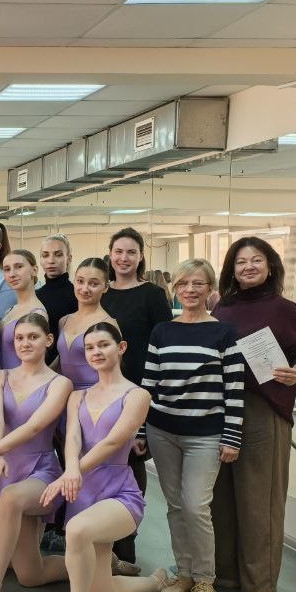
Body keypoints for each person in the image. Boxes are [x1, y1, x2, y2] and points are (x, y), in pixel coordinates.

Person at [39, 323, 173, 592]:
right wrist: (72, 469)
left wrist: (72, 472)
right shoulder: (77, 396)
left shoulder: (137, 395)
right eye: (90, 347)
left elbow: (114, 441)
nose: (96, 352)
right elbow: (72, 437)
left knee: (77, 530)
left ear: (121, 348)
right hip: (83, 491)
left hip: (118, 492)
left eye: (103, 345)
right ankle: (154, 582)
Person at [211, 237, 296, 592]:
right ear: (232, 269)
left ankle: (259, 582)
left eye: (256, 260)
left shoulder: (284, 309)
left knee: (259, 498)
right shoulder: (222, 308)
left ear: (270, 266)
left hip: (263, 409)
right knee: (221, 498)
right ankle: (224, 576)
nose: (248, 267)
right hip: (224, 408)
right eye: (241, 262)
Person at [142, 259, 246, 592]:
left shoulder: (224, 333)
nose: (190, 290)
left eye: (198, 283)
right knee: (174, 506)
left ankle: (204, 579)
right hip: (162, 431)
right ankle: (184, 573)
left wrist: (232, 436)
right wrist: (141, 429)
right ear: (175, 288)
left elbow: (235, 388)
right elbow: (148, 385)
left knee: (195, 506)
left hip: (206, 435)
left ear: (209, 289)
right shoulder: (162, 332)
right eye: (184, 283)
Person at [0, 312, 72, 592]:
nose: (25, 343)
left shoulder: (60, 383)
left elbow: (35, 426)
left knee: (12, 498)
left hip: (41, 470)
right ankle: (98, 562)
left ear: (48, 340)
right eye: (19, 338)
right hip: (6, 468)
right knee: (30, 574)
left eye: (33, 337)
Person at [100, 227, 173, 566]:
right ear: (110, 254)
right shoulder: (102, 293)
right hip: (101, 392)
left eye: (131, 252)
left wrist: (149, 402)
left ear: (141, 256)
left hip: (137, 392)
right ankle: (102, 546)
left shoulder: (152, 295)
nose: (124, 258)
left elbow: (164, 346)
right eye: (119, 251)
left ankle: (125, 547)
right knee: (101, 464)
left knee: (129, 463)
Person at [56, 258, 116, 393]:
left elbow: (114, 373)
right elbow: (62, 360)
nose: (84, 289)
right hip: (63, 394)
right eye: (80, 281)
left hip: (94, 396)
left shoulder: (108, 324)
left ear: (105, 287)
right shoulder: (64, 321)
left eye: (93, 284)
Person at [0, 250, 49, 370]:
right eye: (7, 269)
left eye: (19, 267)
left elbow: (36, 361)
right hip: (5, 377)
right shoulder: (10, 310)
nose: (12, 274)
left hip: (22, 380)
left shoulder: (37, 313)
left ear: (34, 270)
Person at [36, 234, 75, 356]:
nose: (51, 261)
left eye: (58, 255)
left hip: (68, 362)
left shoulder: (77, 295)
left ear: (69, 258)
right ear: (40, 259)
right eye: (45, 255)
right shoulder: (35, 296)